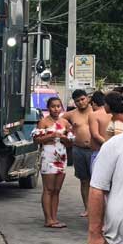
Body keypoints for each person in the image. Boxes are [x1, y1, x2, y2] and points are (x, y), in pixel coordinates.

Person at [32, 97, 74, 228]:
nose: (56, 109)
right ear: (48, 108)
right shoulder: (43, 122)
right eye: (53, 106)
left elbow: (70, 142)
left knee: (57, 190)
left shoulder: (65, 123)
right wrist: (51, 136)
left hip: (61, 156)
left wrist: (64, 138)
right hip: (48, 156)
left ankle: (54, 218)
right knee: (48, 189)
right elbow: (36, 140)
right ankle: (48, 219)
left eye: (58, 106)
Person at [62, 89, 93, 217]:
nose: (80, 103)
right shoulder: (71, 114)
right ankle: (87, 208)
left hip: (95, 150)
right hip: (78, 149)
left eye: (82, 99)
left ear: (87, 98)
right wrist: (66, 135)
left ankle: (96, 209)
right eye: (77, 101)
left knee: (96, 181)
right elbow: (57, 121)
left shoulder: (96, 111)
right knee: (84, 180)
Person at [87, 91, 111, 216]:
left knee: (97, 188)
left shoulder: (94, 115)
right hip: (112, 154)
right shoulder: (113, 115)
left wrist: (108, 146)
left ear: (94, 103)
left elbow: (95, 135)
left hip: (99, 153)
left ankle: (98, 218)